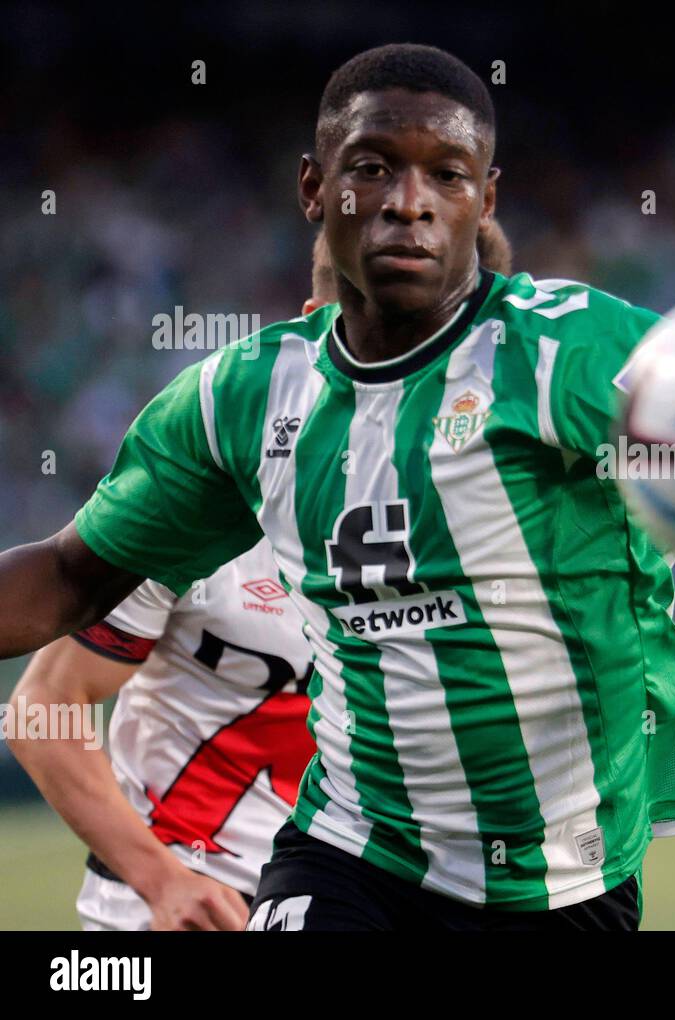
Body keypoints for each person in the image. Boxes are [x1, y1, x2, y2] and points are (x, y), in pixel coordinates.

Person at [0, 43, 675, 930]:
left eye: (447, 177)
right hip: (349, 853)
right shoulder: (239, 399)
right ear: (314, 190)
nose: (408, 203)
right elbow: (71, 578)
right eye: (372, 169)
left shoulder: (568, 358)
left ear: (483, 201)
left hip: (562, 876)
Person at [7, 217, 519, 931]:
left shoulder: (484, 528)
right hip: (184, 907)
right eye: (389, 339)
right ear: (318, 328)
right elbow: (42, 710)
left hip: (356, 896)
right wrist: (162, 881)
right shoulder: (202, 496)